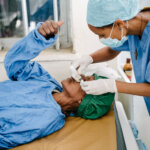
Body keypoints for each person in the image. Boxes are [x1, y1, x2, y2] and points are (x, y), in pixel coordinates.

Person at [0, 20, 115, 149]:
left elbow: (5, 136)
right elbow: (15, 65)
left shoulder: (47, 117)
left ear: (81, 101)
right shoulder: (48, 83)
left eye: (86, 80)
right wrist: (39, 38)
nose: (80, 76)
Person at [71, 0, 150, 113]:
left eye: (102, 34)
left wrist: (111, 85)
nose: (101, 39)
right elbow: (113, 50)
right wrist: (88, 59)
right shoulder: (131, 23)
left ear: (119, 24)